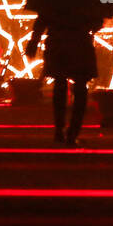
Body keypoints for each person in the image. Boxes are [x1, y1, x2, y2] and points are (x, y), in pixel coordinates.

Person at [26, 15, 97, 146]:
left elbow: (43, 17)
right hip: (80, 42)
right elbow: (96, 22)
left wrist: (34, 40)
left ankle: (59, 129)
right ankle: (73, 131)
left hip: (57, 42)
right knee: (81, 86)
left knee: (60, 83)